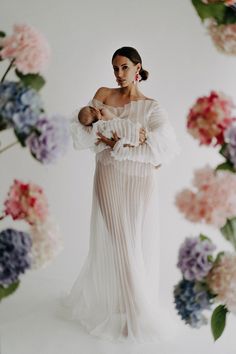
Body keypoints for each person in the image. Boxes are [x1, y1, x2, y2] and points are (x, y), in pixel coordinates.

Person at [61, 46, 181, 343]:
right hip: (108, 174)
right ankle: (132, 308)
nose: (118, 74)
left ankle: (131, 307)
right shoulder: (103, 93)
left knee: (133, 241)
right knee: (119, 241)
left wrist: (123, 136)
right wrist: (121, 134)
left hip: (139, 181)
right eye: (115, 68)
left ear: (138, 68)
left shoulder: (153, 107)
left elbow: (161, 149)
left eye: (124, 67)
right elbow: (84, 128)